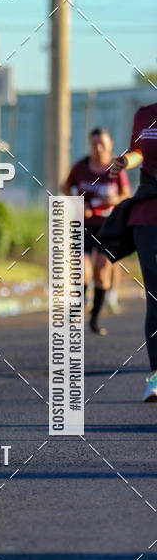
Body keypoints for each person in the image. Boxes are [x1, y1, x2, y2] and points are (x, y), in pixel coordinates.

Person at [108, 104, 157, 402]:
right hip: (148, 212)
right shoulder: (144, 114)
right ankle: (156, 377)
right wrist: (126, 159)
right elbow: (139, 149)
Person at [62, 127, 130, 335]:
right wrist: (78, 203)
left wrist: (115, 200)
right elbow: (66, 187)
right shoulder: (81, 166)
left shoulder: (116, 168)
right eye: (94, 144)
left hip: (108, 227)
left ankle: (95, 320)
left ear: (109, 145)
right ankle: (79, 306)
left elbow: (126, 194)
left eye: (102, 143)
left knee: (101, 272)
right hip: (83, 225)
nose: (98, 148)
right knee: (82, 270)